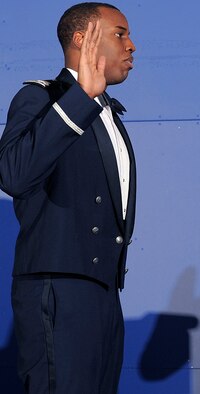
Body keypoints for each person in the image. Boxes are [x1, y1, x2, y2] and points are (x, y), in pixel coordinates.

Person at [0, 2, 136, 393]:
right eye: (120, 34)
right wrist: (79, 97)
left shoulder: (110, 112)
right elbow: (13, 173)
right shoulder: (41, 99)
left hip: (104, 293)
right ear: (82, 39)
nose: (131, 46)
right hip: (58, 289)